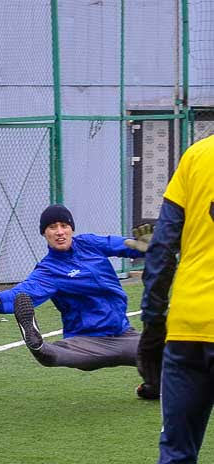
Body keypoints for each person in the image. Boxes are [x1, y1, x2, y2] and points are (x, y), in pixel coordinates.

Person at [0, 204, 156, 395]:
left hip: (124, 334)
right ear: (44, 233)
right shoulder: (49, 270)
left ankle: (152, 387)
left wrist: (145, 246)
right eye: (52, 227)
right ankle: (39, 347)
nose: (59, 232)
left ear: (71, 229)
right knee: (54, 356)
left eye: (64, 226)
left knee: (169, 352)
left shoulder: (89, 243)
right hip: (87, 343)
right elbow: (23, 294)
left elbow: (123, 244)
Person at [138, 136, 214, 463]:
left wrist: (153, 324)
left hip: (187, 327)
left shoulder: (196, 156)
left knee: (176, 454)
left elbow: (161, 248)